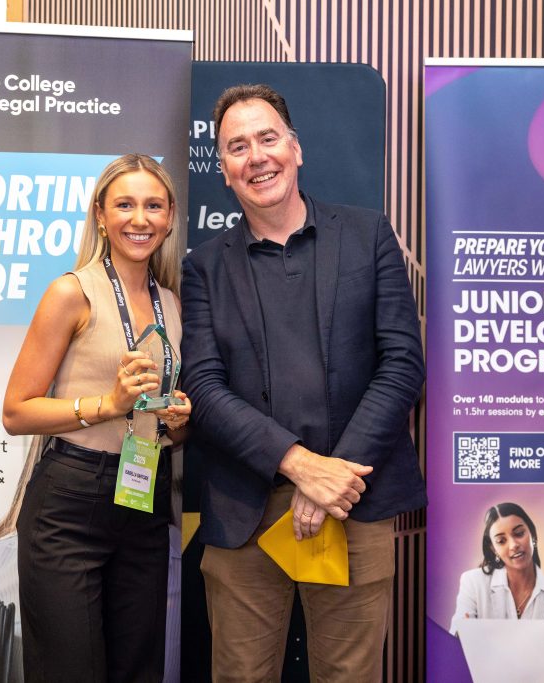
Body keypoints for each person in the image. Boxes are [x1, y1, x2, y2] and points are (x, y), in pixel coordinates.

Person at [180, 83, 427, 682]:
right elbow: (204, 388)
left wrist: (331, 477)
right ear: (225, 171)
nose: (256, 157)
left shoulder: (368, 235)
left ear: (295, 148)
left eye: (267, 138)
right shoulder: (203, 267)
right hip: (243, 507)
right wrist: (299, 466)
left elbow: (402, 364)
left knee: (349, 676)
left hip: (353, 497)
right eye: (237, 147)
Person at [2, 154, 191, 683]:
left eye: (153, 206)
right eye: (124, 205)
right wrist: (108, 405)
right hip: (70, 503)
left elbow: (168, 425)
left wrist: (178, 421)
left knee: (139, 670)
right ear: (101, 217)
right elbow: (16, 411)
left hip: (145, 496)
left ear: (170, 218)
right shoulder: (71, 292)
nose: (140, 219)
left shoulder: (172, 302)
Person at [449, 502, 544, 650]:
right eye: (501, 541)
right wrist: (461, 634)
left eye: (519, 533)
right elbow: (457, 637)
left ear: (532, 535)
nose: (513, 545)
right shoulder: (473, 582)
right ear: (493, 549)